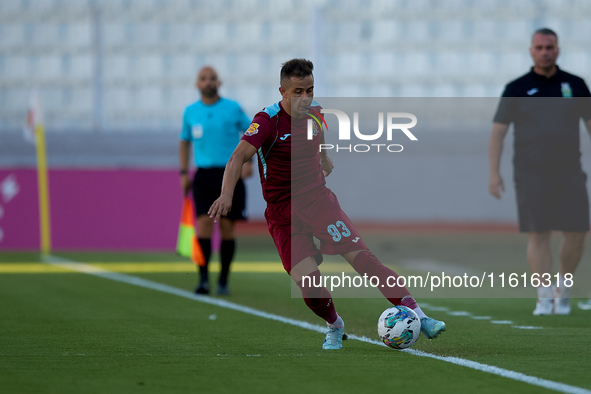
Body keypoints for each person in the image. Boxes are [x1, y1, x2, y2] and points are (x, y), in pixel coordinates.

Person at [208, 58, 446, 349]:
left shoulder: (317, 112)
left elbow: (316, 136)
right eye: (298, 92)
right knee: (310, 288)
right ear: (282, 91)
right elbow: (237, 157)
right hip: (284, 215)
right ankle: (335, 325)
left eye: (309, 90)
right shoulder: (266, 122)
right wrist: (226, 195)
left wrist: (323, 158)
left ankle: (420, 316)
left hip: (318, 201)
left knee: (366, 262)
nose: (305, 98)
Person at [489, 28, 591, 315]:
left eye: (550, 47)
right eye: (539, 47)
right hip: (530, 172)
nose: (545, 52)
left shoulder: (576, 85)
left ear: (558, 49)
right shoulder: (516, 88)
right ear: (531, 51)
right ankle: (544, 295)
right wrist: (493, 173)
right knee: (539, 233)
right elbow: (498, 132)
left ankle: (564, 286)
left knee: (577, 232)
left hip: (570, 171)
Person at [179, 66, 253, 295]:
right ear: (197, 84)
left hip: (230, 173)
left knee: (227, 227)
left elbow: (252, 133)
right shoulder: (190, 112)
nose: (208, 82)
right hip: (203, 175)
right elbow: (184, 141)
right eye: (203, 78)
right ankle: (203, 280)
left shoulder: (232, 108)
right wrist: (183, 172)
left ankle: (223, 281)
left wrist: (249, 163)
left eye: (212, 78)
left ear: (219, 82)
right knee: (203, 225)